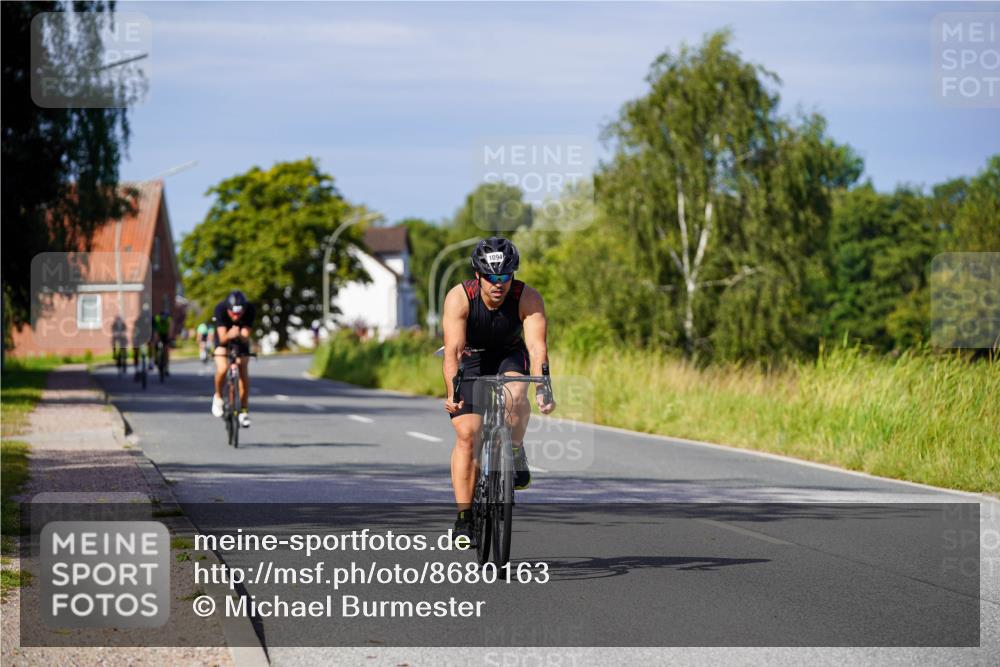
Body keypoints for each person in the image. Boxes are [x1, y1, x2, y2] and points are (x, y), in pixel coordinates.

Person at [441, 237, 556, 542]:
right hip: (472, 357)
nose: (498, 284)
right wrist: (452, 393)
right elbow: (452, 351)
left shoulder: (527, 298)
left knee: (517, 394)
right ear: (477, 275)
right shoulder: (459, 297)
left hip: (509, 354)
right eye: (491, 278)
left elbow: (536, 347)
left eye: (505, 277)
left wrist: (544, 388)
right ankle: (464, 517)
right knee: (468, 434)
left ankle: (515, 450)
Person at [210, 290, 255, 428]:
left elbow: (246, 335)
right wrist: (231, 334)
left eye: (239, 313)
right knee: (222, 367)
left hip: (240, 341)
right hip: (224, 338)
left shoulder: (250, 309)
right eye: (233, 313)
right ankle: (218, 397)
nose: (236, 316)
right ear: (228, 309)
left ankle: (244, 410)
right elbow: (222, 337)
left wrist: (241, 336)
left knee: (243, 369)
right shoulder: (221, 309)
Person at [151, 309, 172, 376]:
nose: (163, 320)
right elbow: (155, 331)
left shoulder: (168, 319)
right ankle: (156, 358)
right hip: (158, 333)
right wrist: (156, 339)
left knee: (166, 350)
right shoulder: (157, 319)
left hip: (165, 334)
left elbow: (171, 328)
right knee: (155, 344)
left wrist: (170, 337)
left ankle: (166, 367)